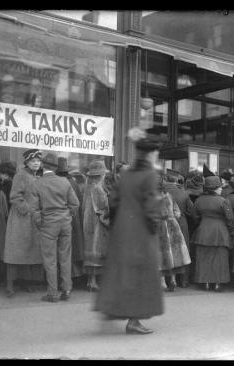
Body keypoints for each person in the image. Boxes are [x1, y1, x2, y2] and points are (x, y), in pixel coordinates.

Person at [95, 127, 164, 335]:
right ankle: (134, 321)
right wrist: (154, 226)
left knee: (123, 273)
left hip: (122, 231)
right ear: (151, 154)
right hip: (141, 232)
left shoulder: (125, 174)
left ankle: (117, 311)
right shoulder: (150, 175)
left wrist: (117, 225)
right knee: (142, 274)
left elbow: (113, 201)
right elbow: (151, 206)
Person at [28, 153, 79, 302]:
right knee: (65, 257)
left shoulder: (36, 184)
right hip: (65, 222)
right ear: (56, 167)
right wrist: (68, 216)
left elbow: (34, 211)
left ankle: (52, 293)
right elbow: (75, 204)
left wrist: (40, 223)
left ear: (43, 166)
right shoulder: (65, 182)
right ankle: (67, 290)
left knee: (50, 259)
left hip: (48, 224)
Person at [3, 149, 45, 298]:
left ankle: (26, 282)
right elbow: (14, 196)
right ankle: (9, 285)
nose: (36, 163)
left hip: (33, 219)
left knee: (29, 250)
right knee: (16, 251)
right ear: (26, 162)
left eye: (38, 161)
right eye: (33, 161)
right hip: (20, 219)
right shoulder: (20, 175)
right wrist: (26, 209)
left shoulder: (36, 177)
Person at [191, 176, 234, 292]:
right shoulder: (223, 201)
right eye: (219, 187)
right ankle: (217, 284)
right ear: (215, 188)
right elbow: (230, 219)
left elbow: (195, 217)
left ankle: (205, 282)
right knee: (220, 258)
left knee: (203, 258)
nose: (221, 189)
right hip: (220, 232)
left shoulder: (199, 200)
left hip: (203, 231)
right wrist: (232, 233)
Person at [157, 177, 191, 291]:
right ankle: (173, 280)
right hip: (172, 226)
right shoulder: (169, 196)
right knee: (175, 252)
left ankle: (162, 282)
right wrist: (172, 217)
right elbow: (178, 212)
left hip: (159, 227)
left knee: (161, 254)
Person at [82, 160, 110, 292]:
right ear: (101, 175)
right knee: (96, 250)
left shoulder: (87, 188)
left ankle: (90, 280)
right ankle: (93, 282)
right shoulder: (98, 189)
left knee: (90, 250)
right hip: (97, 224)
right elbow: (102, 209)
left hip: (87, 223)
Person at [164, 169, 194, 288]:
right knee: (182, 250)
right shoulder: (184, 193)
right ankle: (183, 281)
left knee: (167, 250)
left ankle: (167, 280)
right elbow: (192, 211)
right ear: (177, 180)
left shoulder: (162, 191)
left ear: (166, 179)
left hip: (164, 224)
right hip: (181, 223)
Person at [56, 159, 85, 280]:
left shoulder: (57, 182)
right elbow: (79, 201)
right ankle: (73, 276)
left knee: (60, 248)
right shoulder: (73, 181)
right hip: (74, 218)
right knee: (72, 247)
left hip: (59, 218)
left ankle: (62, 278)